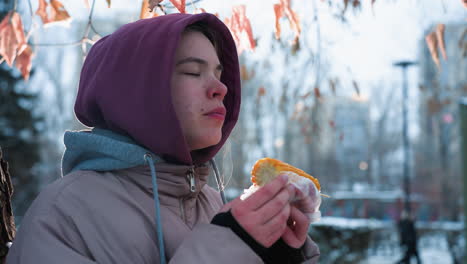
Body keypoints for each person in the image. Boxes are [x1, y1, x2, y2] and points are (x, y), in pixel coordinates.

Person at [6, 13, 320, 263]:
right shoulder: (65, 212)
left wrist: (273, 253)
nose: (220, 88)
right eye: (193, 72)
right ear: (135, 91)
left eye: (219, 74)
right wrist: (226, 246)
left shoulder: (209, 201)